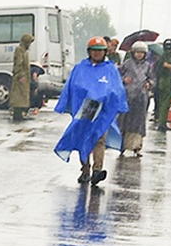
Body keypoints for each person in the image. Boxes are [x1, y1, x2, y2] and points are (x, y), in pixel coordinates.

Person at [54, 37, 127, 184]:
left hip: (103, 111)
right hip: (85, 109)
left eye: (100, 51)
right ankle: (85, 169)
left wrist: (114, 103)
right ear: (89, 51)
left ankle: (97, 171)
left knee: (99, 139)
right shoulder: (80, 68)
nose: (97, 53)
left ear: (105, 52)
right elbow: (71, 87)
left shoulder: (110, 69)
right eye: (94, 50)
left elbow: (117, 89)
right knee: (84, 137)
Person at [118, 41, 153, 154]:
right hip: (128, 96)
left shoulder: (148, 66)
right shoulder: (127, 64)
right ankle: (122, 145)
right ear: (133, 53)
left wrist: (149, 83)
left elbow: (153, 78)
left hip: (141, 97)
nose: (139, 55)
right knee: (125, 121)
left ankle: (137, 147)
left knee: (139, 123)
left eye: (141, 53)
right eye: (137, 52)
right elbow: (118, 75)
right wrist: (124, 80)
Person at [152, 40, 171, 132]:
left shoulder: (163, 54)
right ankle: (162, 124)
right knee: (165, 103)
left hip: (162, 80)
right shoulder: (168, 55)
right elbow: (165, 64)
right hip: (165, 81)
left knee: (163, 103)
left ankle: (162, 123)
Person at [10, 32, 36, 121]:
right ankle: (17, 115)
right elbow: (18, 63)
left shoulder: (24, 50)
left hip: (24, 76)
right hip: (20, 76)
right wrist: (20, 75)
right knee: (18, 96)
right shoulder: (19, 50)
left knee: (22, 96)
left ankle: (20, 114)